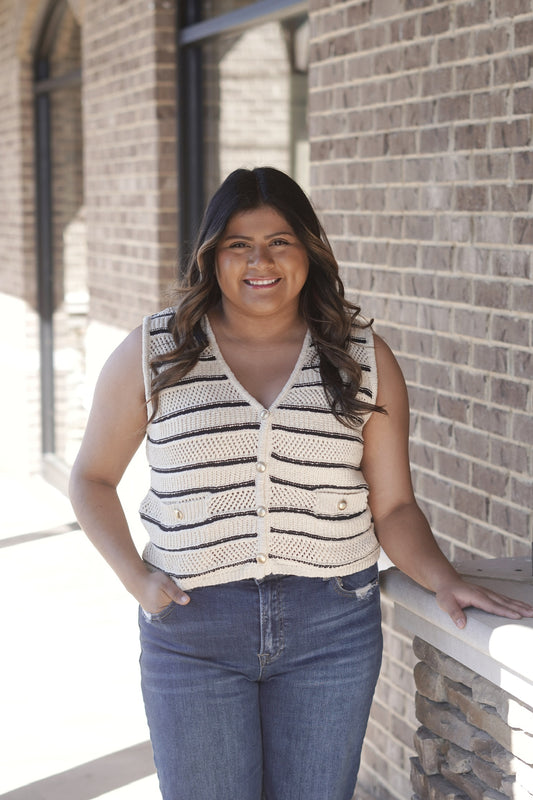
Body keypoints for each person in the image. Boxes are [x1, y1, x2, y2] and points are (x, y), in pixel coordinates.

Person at [69, 166, 533, 800]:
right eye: (239, 244)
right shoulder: (158, 352)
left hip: (331, 628)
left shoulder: (361, 357)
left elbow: (394, 506)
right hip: (194, 628)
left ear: (309, 251)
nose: (260, 260)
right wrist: (136, 578)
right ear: (213, 256)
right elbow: (92, 479)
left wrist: (447, 581)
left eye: (280, 241)